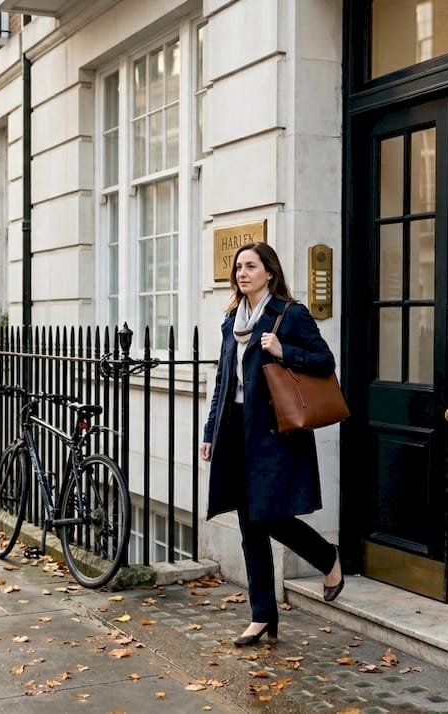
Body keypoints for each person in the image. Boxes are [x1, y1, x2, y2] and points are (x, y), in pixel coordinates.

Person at [200, 241, 344, 648]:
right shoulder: (233, 320)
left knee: (269, 516)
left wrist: (285, 351)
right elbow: (223, 382)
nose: (242, 273)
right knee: (249, 524)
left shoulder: (290, 315)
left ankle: (326, 557)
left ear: (270, 272)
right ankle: (262, 615)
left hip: (275, 432)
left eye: (250, 266)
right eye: (238, 267)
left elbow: (325, 361)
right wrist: (210, 432)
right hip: (236, 430)